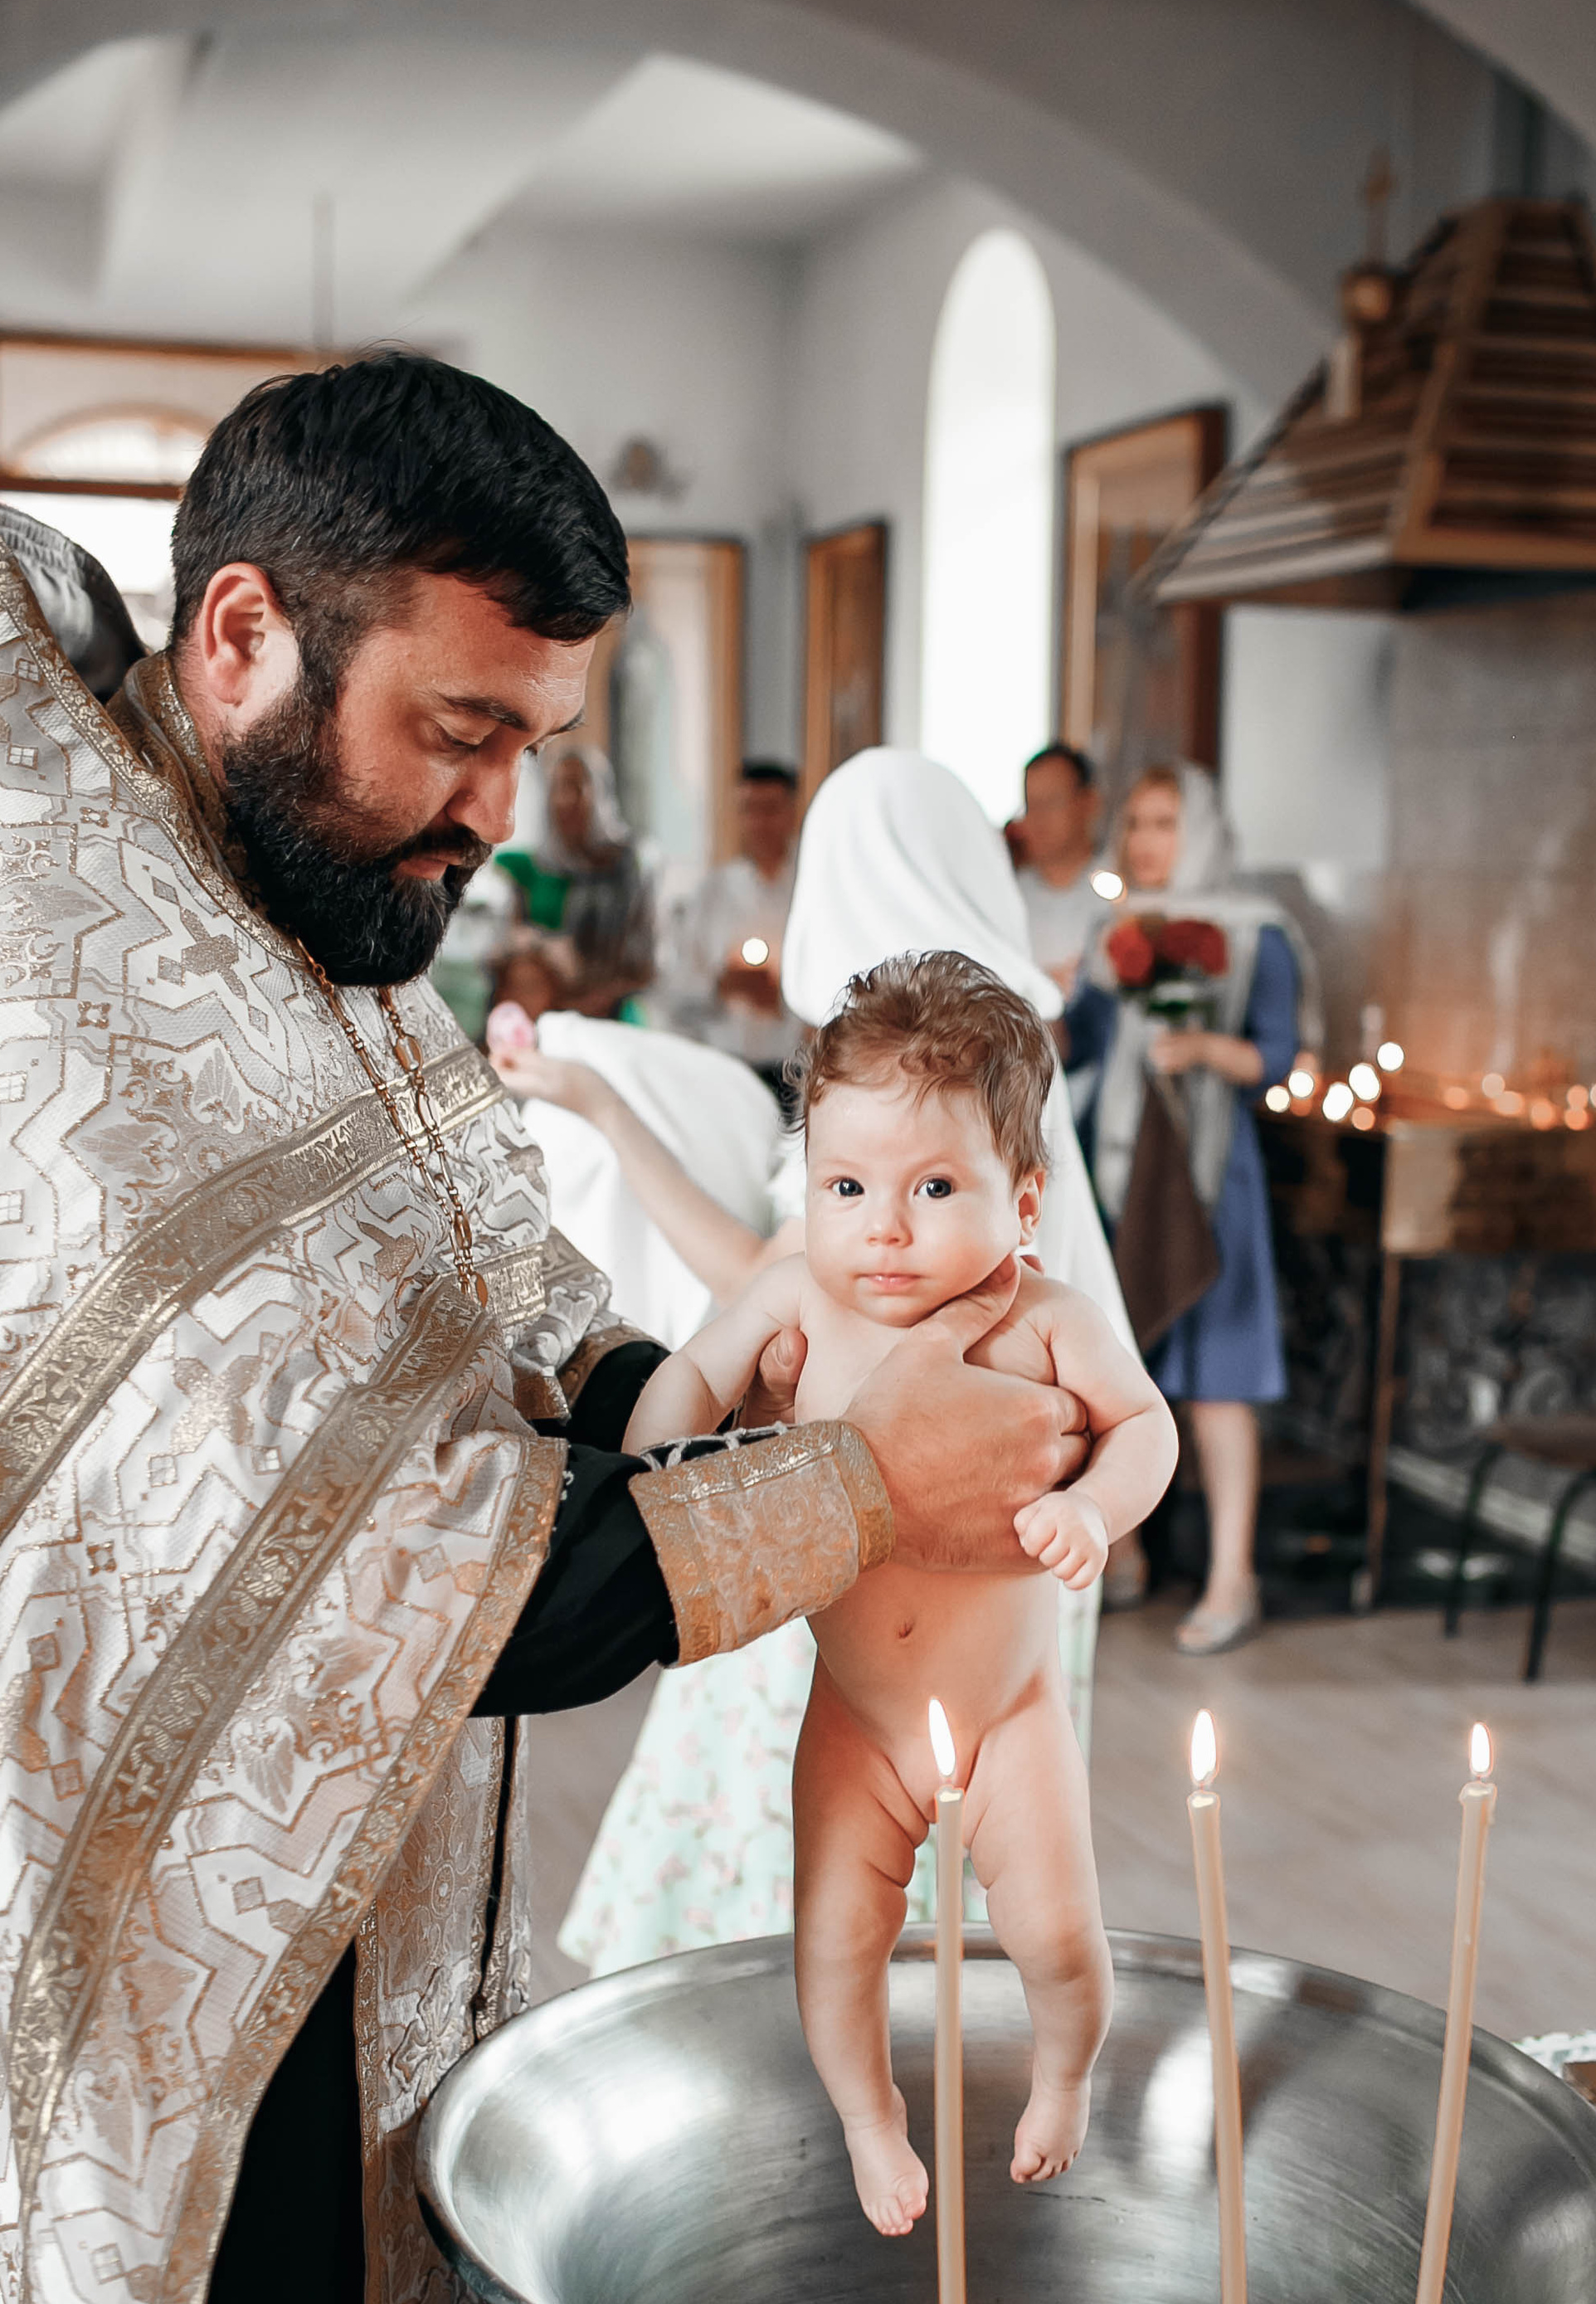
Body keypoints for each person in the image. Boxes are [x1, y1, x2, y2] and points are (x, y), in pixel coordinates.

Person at [0, 355, 1089, 2304]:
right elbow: (381, 1578)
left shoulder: (266, 888)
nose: (493, 810)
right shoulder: (51, 996)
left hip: (302, 1929)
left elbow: (469, 1304)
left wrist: (697, 1377)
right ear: (236, 637)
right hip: (94, 2016)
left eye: (532, 741)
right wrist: (862, 1481)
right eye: (457, 728)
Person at [510, 745, 1137, 1981]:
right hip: (1000, 1543)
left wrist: (601, 1108)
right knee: (975, 1865)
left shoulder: (909, 1084)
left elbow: (769, 1275)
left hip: (867, 1528)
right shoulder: (1004, 1063)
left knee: (823, 1888)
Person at [627, 954, 1175, 2227]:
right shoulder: (793, 1292)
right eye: (848, 1185)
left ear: (1022, 1200)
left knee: (1055, 1936)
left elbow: (1145, 1424)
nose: (885, 1224)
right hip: (855, 1711)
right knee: (834, 1942)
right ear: (806, 1182)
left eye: (935, 1187)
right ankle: (874, 2125)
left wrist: (1092, 1506)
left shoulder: (1042, 1317)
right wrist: (655, 1476)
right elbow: (688, 1388)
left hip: (1010, 1708)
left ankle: (1066, 2071)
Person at [1068, 760, 1309, 1657]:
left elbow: (1279, 1060)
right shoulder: (1113, 928)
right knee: (1114, 1370)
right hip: (1118, 1170)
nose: (1145, 841)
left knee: (1216, 1380)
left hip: (1211, 1178)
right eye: (1135, 823)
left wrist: (1205, 1044)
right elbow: (1087, 1040)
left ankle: (1230, 1575)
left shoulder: (1256, 935)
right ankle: (1120, 1554)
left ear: (1201, 830)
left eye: (1164, 822)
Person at [664, 754, 801, 1079]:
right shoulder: (715, 891)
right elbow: (678, 984)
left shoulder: (811, 889)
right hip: (726, 1061)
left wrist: (780, 997)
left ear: (791, 813)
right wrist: (722, 985)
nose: (758, 822)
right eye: (749, 810)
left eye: (770, 809)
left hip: (793, 1063)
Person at [512, 741, 656, 1014]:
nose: (566, 800)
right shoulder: (539, 866)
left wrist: (593, 1000)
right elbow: (514, 936)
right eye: (558, 788)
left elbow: (644, 962)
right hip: (551, 1008)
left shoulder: (629, 863)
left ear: (600, 792)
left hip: (616, 1009)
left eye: (577, 787)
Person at [1011, 738, 1110, 994]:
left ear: (1089, 802)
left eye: (1052, 802)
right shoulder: (1008, 896)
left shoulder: (1118, 889)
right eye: (1032, 805)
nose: (1039, 818)